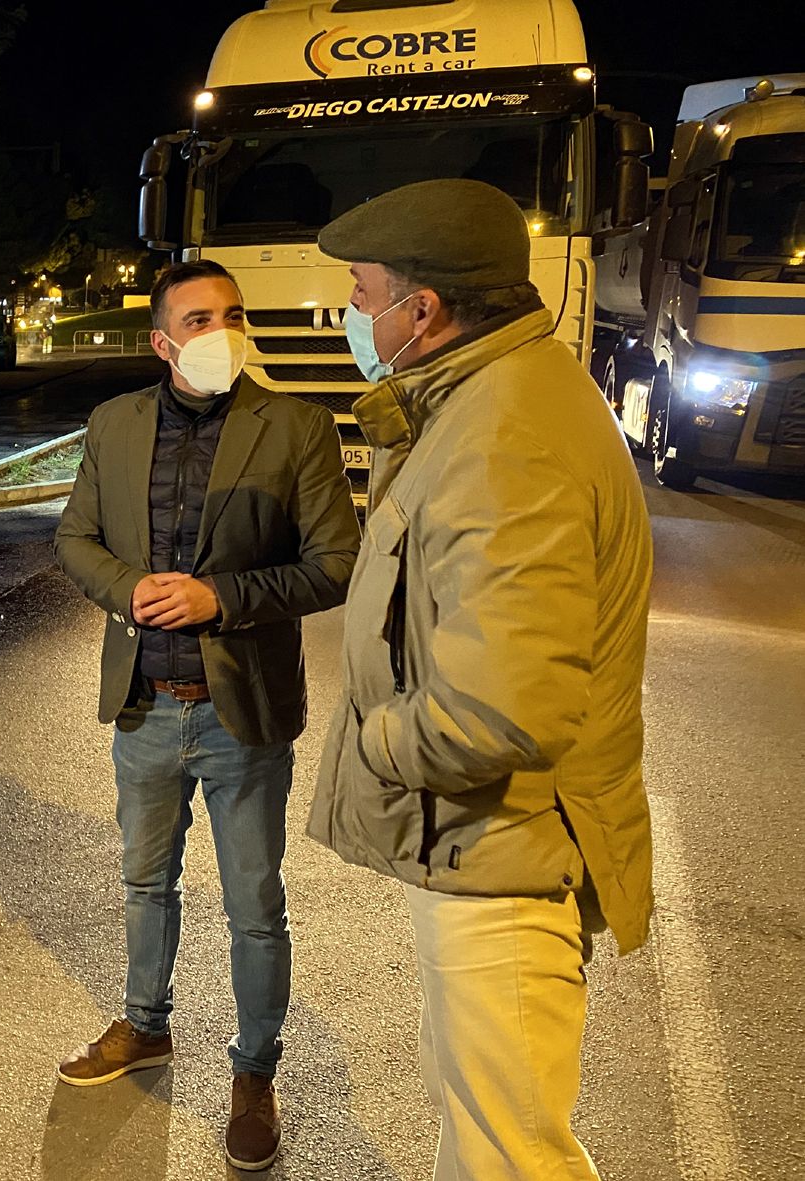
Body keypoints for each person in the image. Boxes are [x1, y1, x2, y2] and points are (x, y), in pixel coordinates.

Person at [307, 179, 653, 1181]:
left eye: (363, 291)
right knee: (485, 1134)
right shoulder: (493, 399)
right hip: (483, 846)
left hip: (502, 854)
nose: (349, 313)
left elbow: (499, 707)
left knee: (512, 1155)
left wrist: (373, 742)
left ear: (422, 310)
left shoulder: (504, 436)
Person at [53, 259, 359, 1172]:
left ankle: (255, 1072)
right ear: (162, 341)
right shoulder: (114, 424)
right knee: (145, 883)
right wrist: (128, 588)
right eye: (199, 319)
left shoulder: (296, 427)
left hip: (242, 715)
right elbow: (76, 537)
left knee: (255, 906)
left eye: (232, 314)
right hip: (145, 705)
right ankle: (145, 1025)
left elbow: (335, 563)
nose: (221, 331)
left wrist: (220, 597)